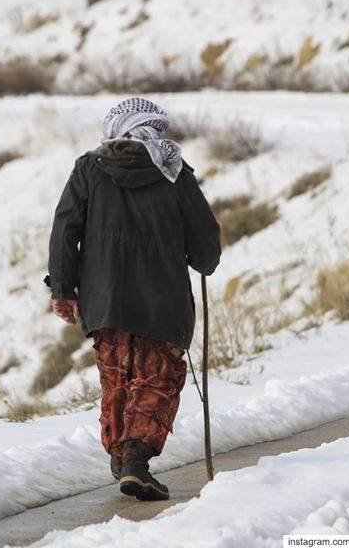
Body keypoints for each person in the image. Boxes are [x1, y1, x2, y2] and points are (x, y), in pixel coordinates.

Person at [44, 97, 221, 501]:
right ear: (154, 127)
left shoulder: (88, 169)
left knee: (116, 377)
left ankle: (123, 454)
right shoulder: (174, 170)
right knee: (156, 378)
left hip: (105, 301)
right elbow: (205, 241)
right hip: (163, 303)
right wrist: (206, 262)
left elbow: (64, 229)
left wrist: (63, 290)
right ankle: (135, 460)